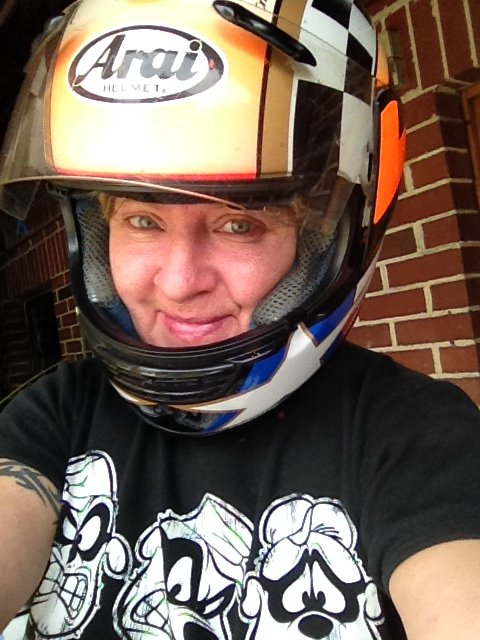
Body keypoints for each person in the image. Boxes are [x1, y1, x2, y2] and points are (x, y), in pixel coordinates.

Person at [0, 0, 479, 638]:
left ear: (324, 244)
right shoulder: (54, 417)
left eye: (239, 224)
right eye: (142, 219)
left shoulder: (411, 434)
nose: (180, 282)